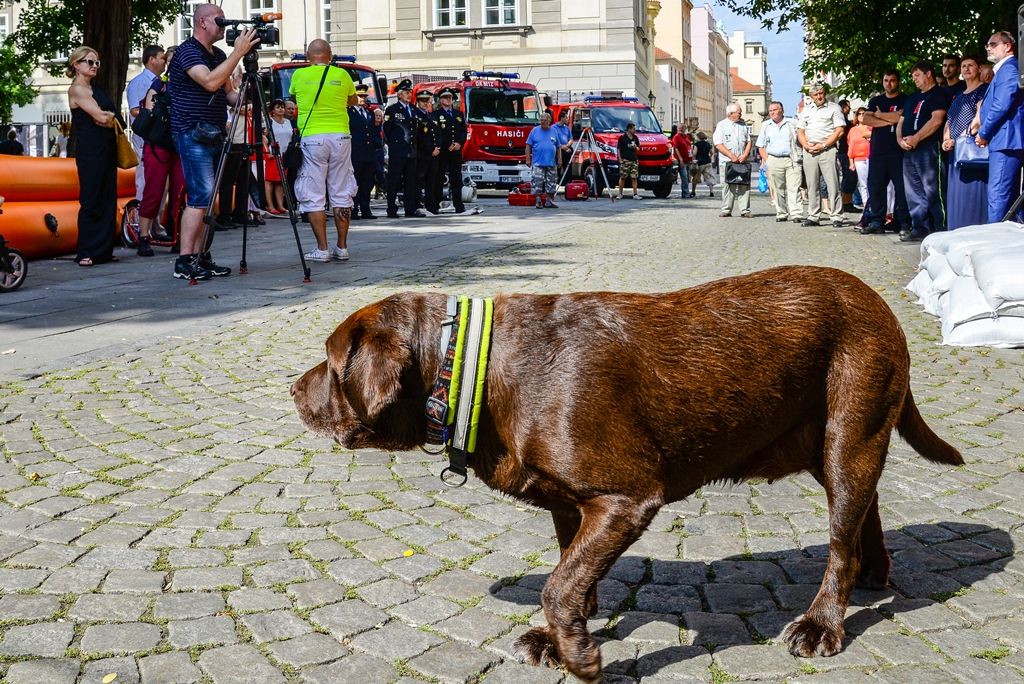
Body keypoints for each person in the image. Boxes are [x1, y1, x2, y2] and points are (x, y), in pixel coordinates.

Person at [168, 3, 259, 280]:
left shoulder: (218, 53)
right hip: (192, 132)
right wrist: (238, 52)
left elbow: (228, 93)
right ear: (203, 22)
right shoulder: (186, 52)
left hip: (215, 132)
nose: (224, 26)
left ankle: (201, 256)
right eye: (220, 20)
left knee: (210, 199)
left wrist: (248, 94)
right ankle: (185, 260)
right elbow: (208, 82)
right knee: (201, 198)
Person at [290, 38, 358, 262]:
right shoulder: (342, 75)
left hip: (313, 137)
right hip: (340, 135)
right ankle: (342, 246)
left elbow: (294, 97)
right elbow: (353, 100)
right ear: (330, 55)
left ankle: (322, 249)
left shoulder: (299, 76)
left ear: (308, 57)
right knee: (341, 192)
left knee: (314, 195)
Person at [66, 46, 119, 267]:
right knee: (91, 198)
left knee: (108, 196)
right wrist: (105, 116)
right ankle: (86, 250)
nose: (95, 66)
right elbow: (102, 117)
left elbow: (109, 115)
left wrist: (106, 116)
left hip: (107, 147)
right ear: (76, 65)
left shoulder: (97, 89)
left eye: (97, 62)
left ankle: (104, 250)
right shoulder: (77, 90)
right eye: (89, 62)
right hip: (90, 150)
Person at [136, 45, 185, 257]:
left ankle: (178, 236)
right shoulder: (159, 84)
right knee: (154, 191)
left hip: (179, 144)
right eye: (170, 60)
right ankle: (144, 236)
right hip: (158, 143)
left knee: (180, 192)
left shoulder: (188, 84)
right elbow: (148, 109)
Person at [896, 61, 948, 241]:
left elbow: (937, 120)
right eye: (912, 76)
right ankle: (920, 228)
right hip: (909, 150)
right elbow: (901, 122)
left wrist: (917, 137)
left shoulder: (938, 94)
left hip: (929, 148)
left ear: (928, 74)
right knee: (913, 191)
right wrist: (900, 140)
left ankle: (941, 228)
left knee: (933, 189)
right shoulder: (912, 98)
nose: (914, 79)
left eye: (917, 75)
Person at [976, 31, 1024, 224]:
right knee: (1008, 199)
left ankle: (992, 245)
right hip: (1005, 140)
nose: (988, 47)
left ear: (1008, 46)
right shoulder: (1005, 70)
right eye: (988, 44)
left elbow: (1001, 104)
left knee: (998, 196)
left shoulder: (1009, 69)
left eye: (993, 44)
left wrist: (983, 132)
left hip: (1006, 141)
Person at [941, 55, 989, 230]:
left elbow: (979, 118)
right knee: (956, 197)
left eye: (970, 65)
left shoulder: (984, 89)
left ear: (979, 68)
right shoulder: (958, 95)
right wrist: (946, 139)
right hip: (955, 151)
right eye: (964, 66)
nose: (966, 69)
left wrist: (961, 138)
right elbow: (949, 119)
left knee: (971, 196)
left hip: (971, 150)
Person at [860, 70, 910, 235]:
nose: (889, 84)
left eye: (892, 80)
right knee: (876, 188)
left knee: (901, 189)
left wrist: (880, 116)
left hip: (898, 151)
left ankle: (902, 222)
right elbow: (866, 119)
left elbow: (902, 117)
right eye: (886, 80)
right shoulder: (876, 100)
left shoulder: (905, 99)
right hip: (878, 152)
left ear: (898, 82)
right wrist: (890, 118)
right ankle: (876, 221)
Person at [797, 83, 846, 227]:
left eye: (821, 93)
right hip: (810, 150)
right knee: (812, 185)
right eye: (816, 94)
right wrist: (806, 145)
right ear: (811, 96)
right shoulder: (806, 110)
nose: (819, 96)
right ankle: (813, 216)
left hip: (827, 149)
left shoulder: (834, 108)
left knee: (833, 184)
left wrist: (824, 145)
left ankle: (837, 215)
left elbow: (839, 130)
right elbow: (800, 131)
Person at [126, 44, 166, 201]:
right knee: (144, 181)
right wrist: (155, 114)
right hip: (145, 138)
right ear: (152, 60)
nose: (165, 62)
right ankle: (139, 219)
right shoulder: (139, 82)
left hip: (158, 138)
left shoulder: (161, 82)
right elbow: (134, 110)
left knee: (159, 182)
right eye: (162, 58)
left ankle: (155, 222)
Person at [757, 101, 803, 223]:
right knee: (777, 188)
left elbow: (802, 138)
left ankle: (796, 213)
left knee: (794, 187)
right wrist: (768, 160)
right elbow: (760, 145)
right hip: (773, 159)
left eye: (775, 110)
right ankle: (781, 212)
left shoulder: (792, 123)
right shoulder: (766, 125)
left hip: (791, 158)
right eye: (770, 110)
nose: (772, 112)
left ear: (782, 110)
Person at [383, 79, 421, 218]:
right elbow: (387, 130)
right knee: (394, 180)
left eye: (410, 92)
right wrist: (395, 144)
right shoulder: (392, 110)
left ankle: (409, 209)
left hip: (411, 151)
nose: (408, 94)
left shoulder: (413, 109)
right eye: (406, 92)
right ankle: (391, 209)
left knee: (410, 181)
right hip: (398, 151)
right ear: (399, 95)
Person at [433, 87, 472, 215]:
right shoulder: (436, 115)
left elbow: (463, 131)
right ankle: (436, 203)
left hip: (455, 152)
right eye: (445, 97)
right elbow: (437, 133)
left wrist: (459, 143)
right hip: (443, 151)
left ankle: (458, 204)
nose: (448, 100)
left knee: (457, 179)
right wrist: (445, 145)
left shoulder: (458, 114)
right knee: (439, 178)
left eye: (450, 97)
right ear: (440, 100)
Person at [713, 103, 752, 217]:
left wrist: (745, 154)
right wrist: (731, 155)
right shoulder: (721, 125)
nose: (741, 114)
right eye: (739, 112)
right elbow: (718, 144)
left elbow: (749, 141)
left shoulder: (743, 125)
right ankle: (726, 209)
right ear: (731, 114)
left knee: (744, 185)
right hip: (727, 162)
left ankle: (745, 210)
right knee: (727, 186)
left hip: (741, 161)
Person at [348, 83, 379, 220]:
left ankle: (366, 209)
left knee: (367, 183)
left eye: (364, 96)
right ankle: (353, 209)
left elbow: (373, 132)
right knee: (355, 182)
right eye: (359, 96)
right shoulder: (348, 112)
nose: (362, 99)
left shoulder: (369, 113)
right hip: (355, 152)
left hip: (368, 153)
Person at [414, 89, 441, 215]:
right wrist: (430, 149)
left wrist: (438, 147)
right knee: (419, 181)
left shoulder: (431, 116)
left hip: (434, 154)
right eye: (422, 101)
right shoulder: (416, 116)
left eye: (427, 101)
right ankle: (418, 204)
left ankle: (431, 205)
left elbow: (438, 134)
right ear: (418, 102)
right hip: (423, 154)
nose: (425, 103)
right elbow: (419, 136)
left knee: (432, 181)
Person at [525, 112, 559, 208]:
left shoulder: (554, 131)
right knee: (537, 182)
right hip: (538, 162)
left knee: (551, 182)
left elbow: (558, 146)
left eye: (545, 121)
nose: (543, 122)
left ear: (549, 121)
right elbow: (528, 145)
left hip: (551, 162)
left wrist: (559, 160)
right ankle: (538, 201)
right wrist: (528, 159)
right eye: (541, 120)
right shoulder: (534, 131)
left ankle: (549, 201)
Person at [847, 107, 872, 227]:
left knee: (873, 183)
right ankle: (866, 206)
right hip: (859, 159)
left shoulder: (871, 127)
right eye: (859, 114)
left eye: (864, 113)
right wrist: (851, 162)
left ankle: (874, 206)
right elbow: (850, 146)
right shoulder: (853, 130)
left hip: (872, 158)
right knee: (863, 184)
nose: (862, 115)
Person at [616, 122, 642, 200]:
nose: (635, 130)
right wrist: (620, 159)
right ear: (629, 129)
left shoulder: (635, 138)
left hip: (634, 160)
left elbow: (638, 149)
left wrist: (635, 147)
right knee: (623, 177)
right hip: (625, 160)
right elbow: (618, 149)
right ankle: (620, 193)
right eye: (633, 129)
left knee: (634, 177)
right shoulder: (622, 138)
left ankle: (635, 194)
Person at [672, 125, 693, 198]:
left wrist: (691, 157)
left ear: (685, 129)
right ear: (677, 129)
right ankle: (685, 193)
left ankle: (686, 192)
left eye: (682, 128)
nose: (681, 129)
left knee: (687, 177)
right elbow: (676, 148)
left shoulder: (687, 137)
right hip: (681, 160)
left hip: (687, 160)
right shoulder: (676, 137)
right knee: (684, 177)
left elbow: (689, 147)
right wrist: (680, 159)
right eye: (679, 128)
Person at [691, 131, 714, 197]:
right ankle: (711, 191)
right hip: (707, 162)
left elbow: (694, 153)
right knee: (709, 177)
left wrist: (693, 159)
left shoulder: (697, 144)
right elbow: (711, 153)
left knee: (696, 178)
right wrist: (709, 157)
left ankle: (693, 191)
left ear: (698, 137)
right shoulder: (708, 144)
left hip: (699, 163)